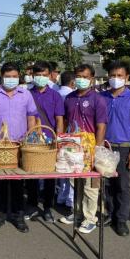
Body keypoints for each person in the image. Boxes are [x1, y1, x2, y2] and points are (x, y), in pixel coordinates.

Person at [0, 62, 37, 233]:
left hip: (19, 144)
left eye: (15, 76)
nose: (11, 79)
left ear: (19, 77)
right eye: (8, 76)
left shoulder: (26, 94)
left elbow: (31, 117)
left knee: (17, 183)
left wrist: (31, 137)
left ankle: (18, 216)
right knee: (0, 182)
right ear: (2, 76)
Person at [100, 61, 130, 236]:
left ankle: (121, 220)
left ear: (127, 78)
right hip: (104, 147)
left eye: (120, 76)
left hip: (124, 148)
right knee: (106, 184)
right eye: (112, 75)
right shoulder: (102, 97)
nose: (116, 79)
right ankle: (110, 214)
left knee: (122, 186)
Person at [62, 64, 107, 234]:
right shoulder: (69, 98)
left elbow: (101, 125)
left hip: (90, 145)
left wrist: (98, 148)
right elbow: (66, 121)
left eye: (85, 77)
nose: (81, 80)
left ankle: (90, 218)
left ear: (92, 79)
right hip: (72, 145)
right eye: (78, 76)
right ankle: (78, 212)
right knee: (75, 181)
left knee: (90, 184)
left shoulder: (98, 99)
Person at [26, 61, 64, 223]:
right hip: (33, 139)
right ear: (33, 76)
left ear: (50, 76)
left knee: (50, 176)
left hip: (51, 139)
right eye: (38, 75)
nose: (41, 78)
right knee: (31, 174)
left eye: (44, 75)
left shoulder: (55, 95)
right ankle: (32, 205)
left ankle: (48, 208)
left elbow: (59, 119)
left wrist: (59, 139)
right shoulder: (27, 94)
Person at [56, 71, 76, 213]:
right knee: (72, 168)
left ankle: (61, 197)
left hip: (60, 135)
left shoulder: (57, 94)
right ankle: (70, 200)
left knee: (62, 167)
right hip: (72, 136)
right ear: (72, 82)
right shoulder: (72, 96)